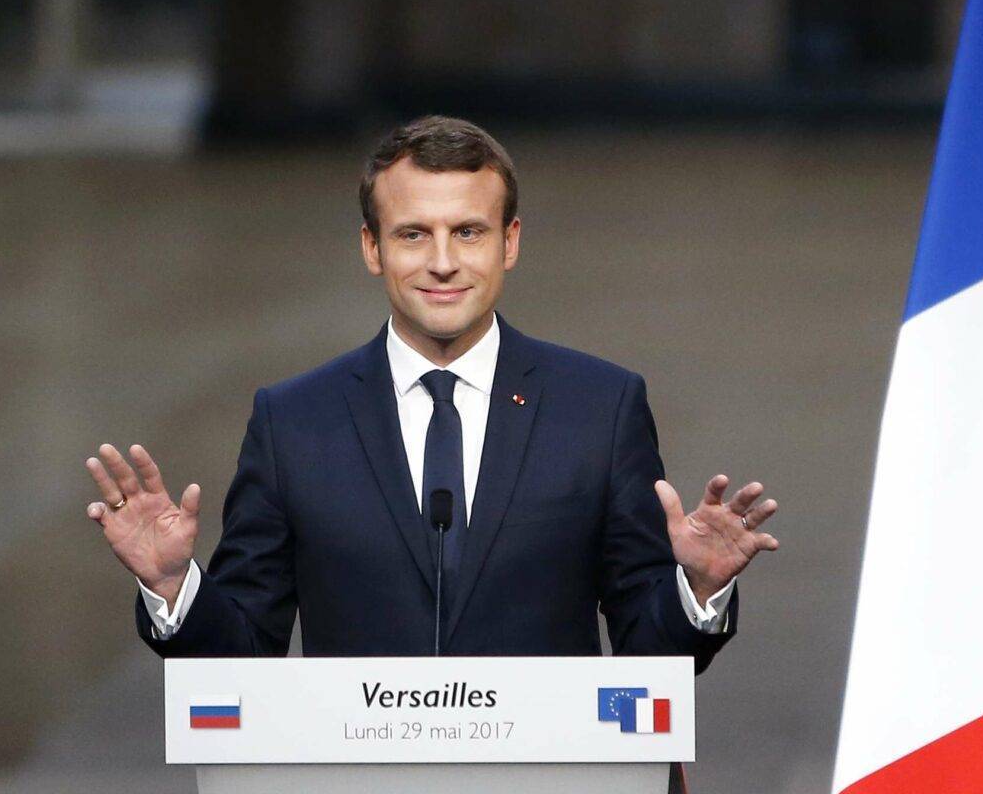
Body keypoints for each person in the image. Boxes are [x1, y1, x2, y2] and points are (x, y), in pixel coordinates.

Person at [87, 116, 776, 661]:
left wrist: (699, 588)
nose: (443, 262)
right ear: (372, 247)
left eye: (468, 232)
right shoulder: (294, 421)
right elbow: (241, 656)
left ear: (509, 243)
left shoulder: (598, 408)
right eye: (414, 233)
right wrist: (173, 586)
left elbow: (648, 652)